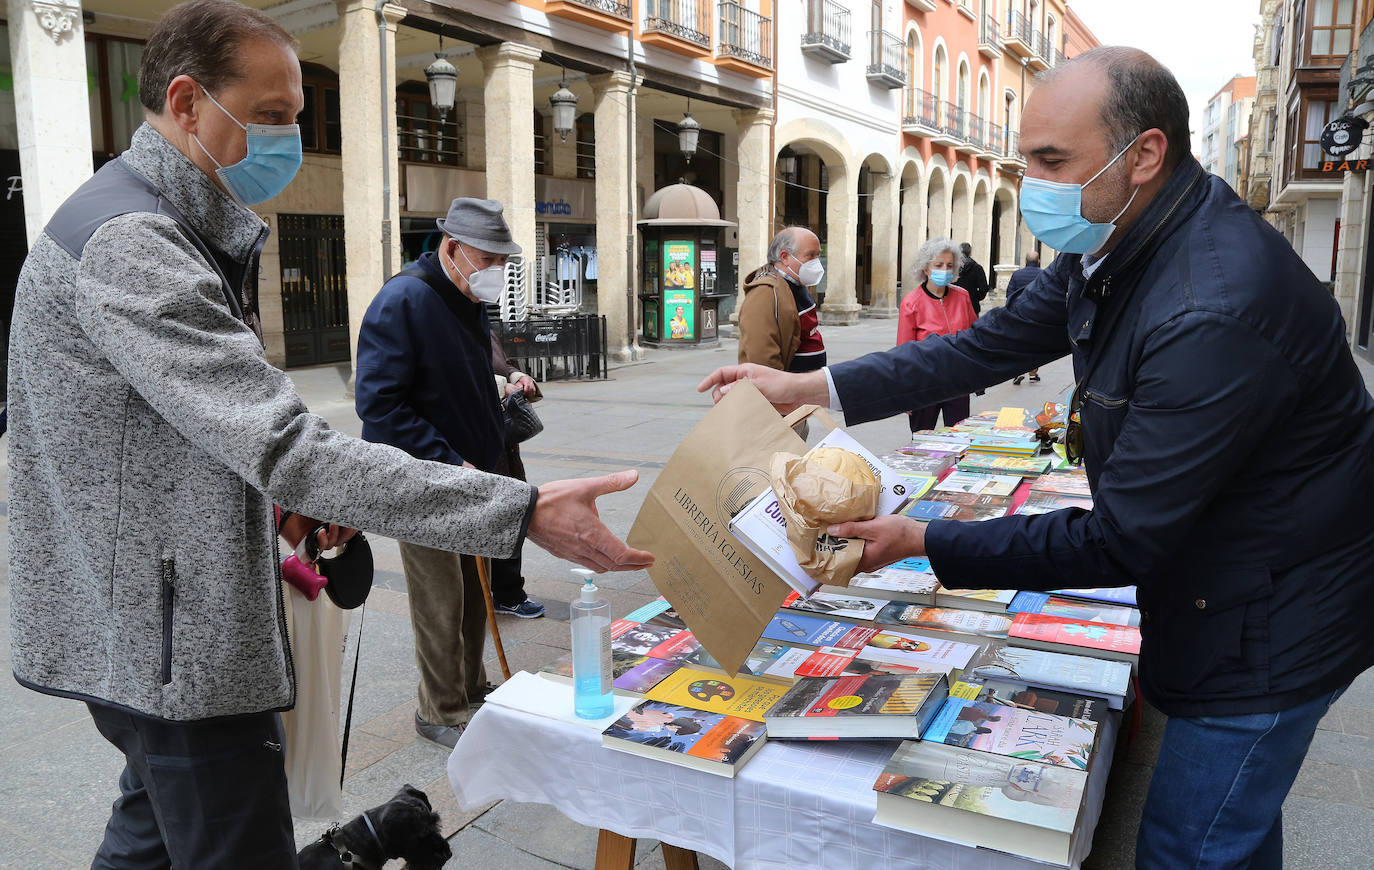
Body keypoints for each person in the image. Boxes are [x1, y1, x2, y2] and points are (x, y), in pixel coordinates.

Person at [6, 3, 652, 865]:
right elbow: (286, 444)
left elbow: (186, 433)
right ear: (188, 102)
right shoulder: (135, 240)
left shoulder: (164, 218)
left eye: (296, 118)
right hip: (173, 637)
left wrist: (280, 503)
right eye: (269, 117)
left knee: (148, 842)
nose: (287, 141)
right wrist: (522, 511)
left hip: (150, 626)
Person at [699, 46, 1374, 870]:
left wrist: (923, 543)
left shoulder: (1211, 305)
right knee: (1231, 824)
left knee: (1190, 846)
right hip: (1223, 576)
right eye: (1028, 157)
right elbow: (982, 350)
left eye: (1053, 160)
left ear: (1146, 154)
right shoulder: (1117, 238)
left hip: (1276, 616)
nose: (1034, 182)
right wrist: (810, 388)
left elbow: (1120, 539)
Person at [355, 197, 540, 748]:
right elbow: (379, 404)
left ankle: (470, 687)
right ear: (454, 249)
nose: (497, 273)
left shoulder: (465, 299)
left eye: (503, 261)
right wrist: (443, 457)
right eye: (490, 259)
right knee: (441, 599)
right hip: (426, 478)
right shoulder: (405, 298)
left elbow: (468, 377)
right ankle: (439, 708)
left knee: (474, 590)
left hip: (474, 474)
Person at [488, 335, 546, 618]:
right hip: (478, 442)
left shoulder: (478, 321)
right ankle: (503, 594)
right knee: (497, 517)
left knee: (512, 513)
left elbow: (502, 363)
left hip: (503, 441)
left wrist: (517, 375)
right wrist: (501, 385)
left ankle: (508, 592)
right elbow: (450, 380)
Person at [898, 238, 977, 433]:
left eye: (949, 266)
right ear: (926, 268)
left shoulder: (963, 297)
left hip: (957, 381)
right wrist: (904, 391)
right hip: (925, 382)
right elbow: (904, 350)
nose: (945, 270)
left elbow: (975, 337)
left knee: (959, 438)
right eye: (938, 265)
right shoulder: (912, 302)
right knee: (921, 442)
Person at [736, 226, 827, 373]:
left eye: (818, 255)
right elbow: (761, 355)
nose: (816, 262)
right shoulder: (764, 292)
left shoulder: (796, 284)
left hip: (804, 386)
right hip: (787, 389)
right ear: (785, 257)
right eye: (810, 255)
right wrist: (781, 387)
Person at [1005, 251, 1043, 384]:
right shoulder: (1042, 274)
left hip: (1019, 315)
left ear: (1025, 261)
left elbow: (1009, 294)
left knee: (1018, 345)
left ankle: (1017, 372)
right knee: (1034, 347)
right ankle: (1033, 375)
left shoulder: (1017, 274)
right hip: (1036, 316)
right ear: (1038, 262)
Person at [956, 241, 990, 315]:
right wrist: (976, 297)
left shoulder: (953, 268)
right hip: (972, 304)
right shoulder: (977, 268)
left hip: (955, 305)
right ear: (970, 253)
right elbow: (983, 288)